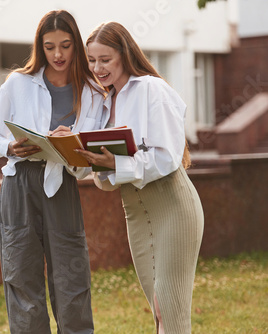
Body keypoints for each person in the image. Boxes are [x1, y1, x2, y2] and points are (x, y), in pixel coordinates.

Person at [75, 22, 204, 334]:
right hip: (135, 212)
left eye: (105, 59)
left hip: (172, 207)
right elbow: (106, 176)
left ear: (125, 53)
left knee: (170, 311)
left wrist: (116, 164)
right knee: (158, 312)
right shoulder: (105, 102)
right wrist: (92, 161)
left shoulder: (151, 89)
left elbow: (167, 158)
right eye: (92, 61)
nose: (97, 68)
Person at [0, 10, 105, 334]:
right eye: (50, 47)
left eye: (65, 46)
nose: (58, 55)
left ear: (76, 46)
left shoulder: (92, 91)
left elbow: (90, 157)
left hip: (62, 181)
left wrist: (73, 149)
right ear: (40, 46)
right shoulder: (17, 83)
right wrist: (10, 148)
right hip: (19, 185)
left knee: (71, 278)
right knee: (21, 277)